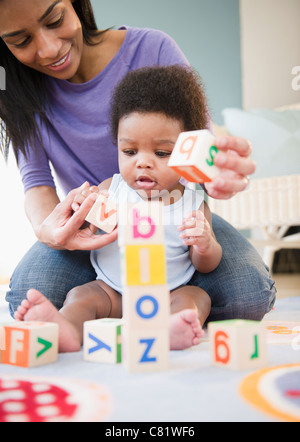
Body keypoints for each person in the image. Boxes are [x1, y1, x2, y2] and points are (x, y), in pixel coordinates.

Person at [0, 0, 276, 321]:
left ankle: (162, 309)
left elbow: (201, 144)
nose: (48, 49)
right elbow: (36, 182)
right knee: (28, 292)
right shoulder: (15, 88)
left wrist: (214, 175)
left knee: (249, 294)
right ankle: (117, 302)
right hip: (96, 238)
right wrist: (52, 230)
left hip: (175, 222)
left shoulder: (151, 48)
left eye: (55, 19)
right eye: (20, 40)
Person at [15, 65, 223, 352]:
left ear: (187, 152)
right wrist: (80, 209)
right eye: (129, 151)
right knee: (81, 295)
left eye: (161, 153)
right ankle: (67, 329)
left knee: (197, 296)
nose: (143, 162)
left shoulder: (192, 203)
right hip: (111, 291)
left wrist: (204, 244)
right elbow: (84, 225)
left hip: (167, 295)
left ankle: (169, 329)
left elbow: (206, 264)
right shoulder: (111, 188)